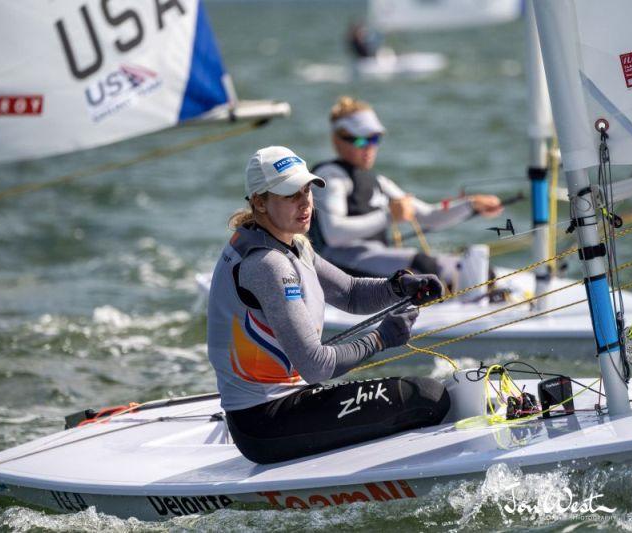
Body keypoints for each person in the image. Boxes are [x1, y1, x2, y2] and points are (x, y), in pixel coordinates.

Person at [207, 146, 451, 464]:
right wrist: (381, 338)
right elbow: (315, 366)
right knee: (427, 397)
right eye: (290, 194)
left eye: (307, 189)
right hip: (265, 423)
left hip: (287, 404)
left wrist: (399, 287)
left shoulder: (289, 243)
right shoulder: (267, 264)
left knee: (425, 393)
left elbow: (349, 292)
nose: (305, 201)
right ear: (259, 202)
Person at [309, 96, 504, 288]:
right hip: (340, 268)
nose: (369, 147)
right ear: (338, 140)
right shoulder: (331, 176)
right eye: (360, 141)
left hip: (374, 259)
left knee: (481, 271)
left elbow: (430, 216)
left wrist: (471, 204)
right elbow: (334, 233)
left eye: (374, 139)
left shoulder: (379, 181)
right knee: (425, 267)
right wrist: (389, 215)